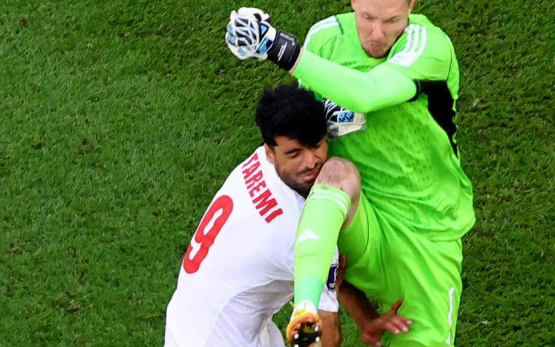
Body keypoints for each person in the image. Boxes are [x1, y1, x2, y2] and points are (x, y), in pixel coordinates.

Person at [225, 0, 475, 347]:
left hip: (426, 233)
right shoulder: (324, 40)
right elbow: (306, 148)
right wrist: (329, 298)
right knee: (336, 172)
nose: (378, 34)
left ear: (411, 7)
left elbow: (368, 93)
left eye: (392, 20)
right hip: (349, 217)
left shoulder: (429, 47)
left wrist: (277, 47)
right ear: (353, 0)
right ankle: (305, 307)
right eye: (367, 17)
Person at [164, 84, 410, 347]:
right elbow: (327, 335)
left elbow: (328, 277)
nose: (310, 162)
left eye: (316, 145)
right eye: (294, 153)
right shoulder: (301, 230)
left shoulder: (259, 163)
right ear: (270, 151)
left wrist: (365, 320)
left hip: (189, 323)